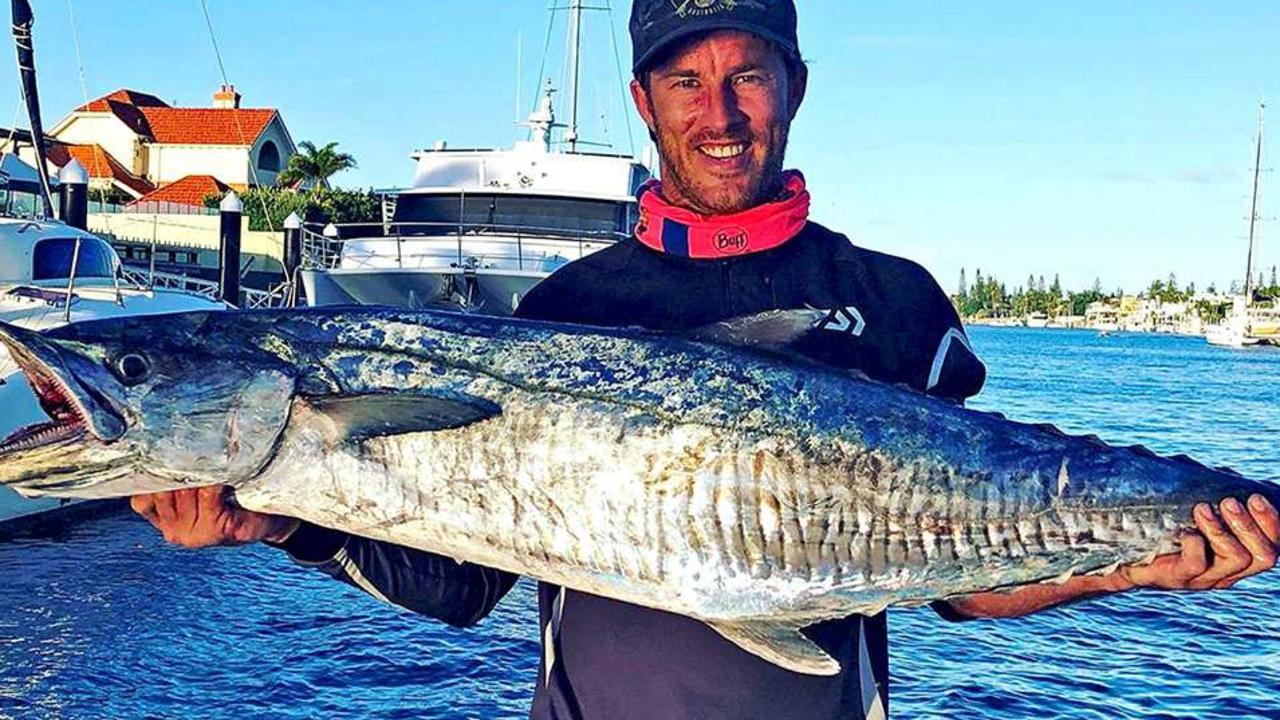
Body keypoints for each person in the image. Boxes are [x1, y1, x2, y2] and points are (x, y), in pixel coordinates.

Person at [130, 1, 1280, 718]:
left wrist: (1134, 564)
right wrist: (273, 521)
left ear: (792, 88)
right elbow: (465, 579)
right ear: (642, 100)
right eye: (686, 79)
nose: (718, 112)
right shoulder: (567, 308)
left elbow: (966, 580)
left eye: (746, 75)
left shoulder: (893, 302)